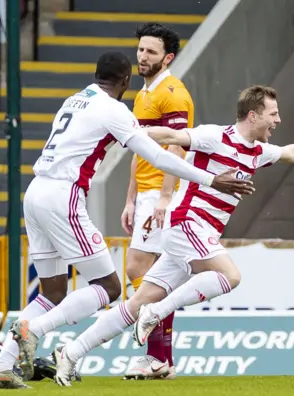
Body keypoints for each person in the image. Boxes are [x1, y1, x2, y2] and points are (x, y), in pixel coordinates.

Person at [26, 85, 294, 386]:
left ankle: (70, 354)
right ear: (253, 115)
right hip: (187, 223)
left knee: (136, 303)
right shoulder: (214, 136)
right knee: (230, 276)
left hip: (198, 233)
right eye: (273, 113)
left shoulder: (257, 151)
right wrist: (128, 132)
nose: (278, 120)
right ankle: (158, 313)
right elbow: (171, 135)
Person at [0, 51, 254, 389]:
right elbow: (156, 156)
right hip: (63, 195)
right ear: (126, 82)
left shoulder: (74, 100)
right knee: (108, 286)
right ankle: (33, 330)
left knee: (50, 291)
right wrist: (211, 179)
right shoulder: (114, 110)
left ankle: (2, 366)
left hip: (35, 192)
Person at [120, 22, 193, 380]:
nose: (142, 56)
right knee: (152, 277)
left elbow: (178, 147)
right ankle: (161, 358)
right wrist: (130, 200)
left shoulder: (174, 94)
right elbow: (139, 149)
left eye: (150, 51)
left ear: (168, 57)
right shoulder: (142, 94)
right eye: (140, 50)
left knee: (139, 271)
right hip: (147, 194)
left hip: (165, 193)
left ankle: (157, 356)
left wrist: (165, 199)